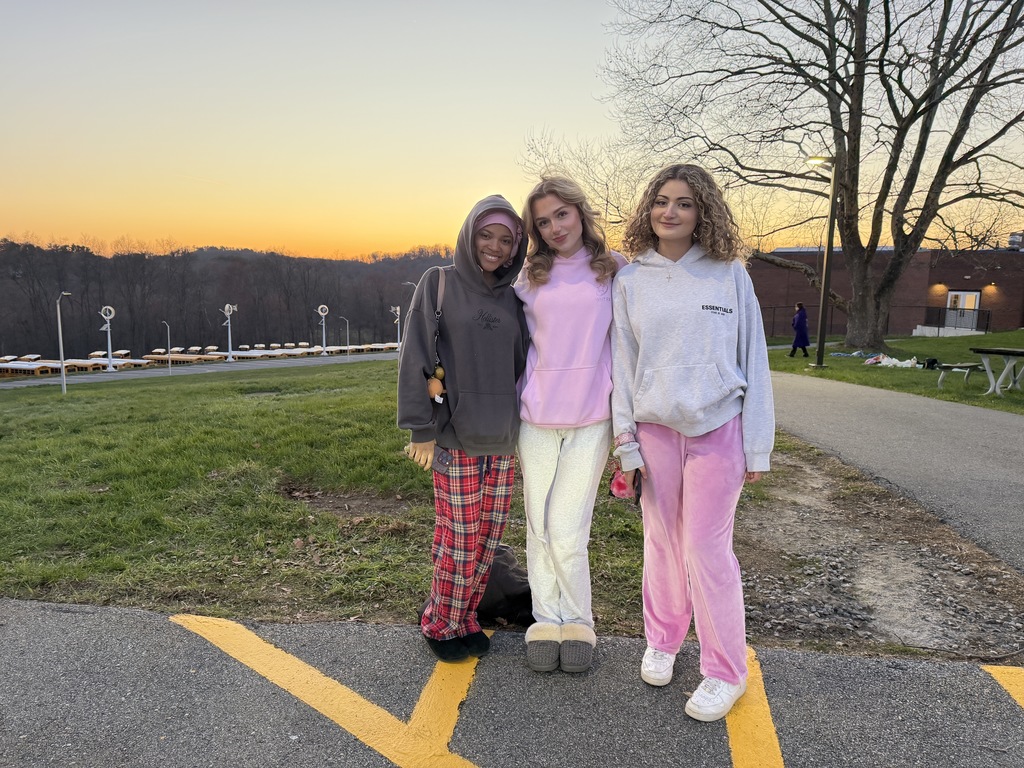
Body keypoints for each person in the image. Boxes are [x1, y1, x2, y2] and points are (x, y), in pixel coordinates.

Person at [610, 164, 775, 721]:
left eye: (684, 202)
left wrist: (757, 447)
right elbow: (623, 369)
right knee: (660, 540)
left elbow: (756, 360)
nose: (670, 212)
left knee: (706, 549)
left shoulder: (729, 273)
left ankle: (725, 670)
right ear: (648, 210)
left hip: (717, 430)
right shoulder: (630, 280)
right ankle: (663, 638)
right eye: (660, 201)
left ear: (703, 211)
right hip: (654, 433)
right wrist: (626, 445)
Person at [397, 195, 529, 663]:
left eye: (506, 240)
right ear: (469, 236)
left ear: (517, 248)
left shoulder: (516, 297)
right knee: (460, 536)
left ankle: (466, 617)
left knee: (488, 537)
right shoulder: (439, 283)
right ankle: (439, 621)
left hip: (503, 437)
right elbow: (415, 354)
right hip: (454, 435)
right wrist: (420, 427)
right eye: (486, 235)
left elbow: (522, 365)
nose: (495, 247)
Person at [514, 177, 626, 673]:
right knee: (538, 524)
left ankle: (578, 620)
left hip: (591, 417)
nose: (555, 227)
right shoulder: (529, 276)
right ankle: (546, 619)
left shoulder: (614, 270)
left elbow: (627, 345)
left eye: (561, 214)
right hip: (534, 417)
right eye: (543, 221)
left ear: (580, 213)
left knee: (567, 527)